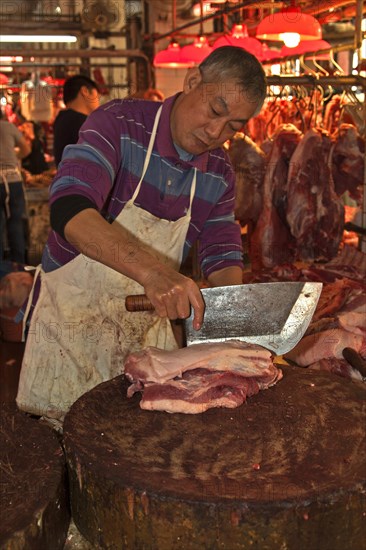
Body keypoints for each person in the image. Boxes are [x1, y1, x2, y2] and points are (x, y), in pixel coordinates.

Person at [17, 46, 267, 420]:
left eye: (234, 126)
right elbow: (69, 209)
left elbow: (222, 248)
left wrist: (227, 309)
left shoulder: (219, 172)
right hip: (69, 330)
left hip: (146, 344)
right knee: (60, 445)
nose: (216, 132)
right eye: (215, 110)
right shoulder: (118, 124)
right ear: (193, 80)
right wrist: (155, 273)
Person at [0, 110, 31, 264]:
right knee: (15, 223)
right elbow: (26, 149)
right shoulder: (9, 126)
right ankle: (18, 265)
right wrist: (13, 158)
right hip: (13, 180)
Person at [53, 74, 100, 167]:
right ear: (85, 91)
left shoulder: (62, 119)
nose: (98, 102)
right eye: (97, 97)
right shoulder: (83, 123)